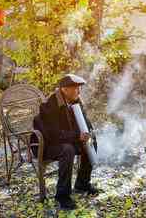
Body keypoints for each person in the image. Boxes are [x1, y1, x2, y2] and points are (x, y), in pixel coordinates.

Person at [31, 74, 100, 210]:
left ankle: (82, 183)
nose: (79, 91)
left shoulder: (76, 100)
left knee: (91, 142)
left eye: (79, 88)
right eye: (75, 88)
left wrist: (88, 132)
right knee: (68, 150)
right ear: (64, 89)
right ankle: (62, 196)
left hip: (66, 140)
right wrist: (77, 135)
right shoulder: (50, 106)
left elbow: (85, 121)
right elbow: (53, 135)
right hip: (46, 145)